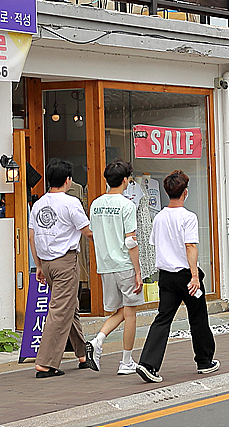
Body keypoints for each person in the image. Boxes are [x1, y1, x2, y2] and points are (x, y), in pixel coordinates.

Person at [135, 170, 218, 384]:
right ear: (185, 193)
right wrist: (194, 276)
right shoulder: (188, 217)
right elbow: (190, 246)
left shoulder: (160, 217)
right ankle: (204, 361)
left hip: (166, 277)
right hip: (186, 274)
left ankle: (147, 363)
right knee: (198, 318)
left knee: (163, 318)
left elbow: (156, 244)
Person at [29, 158, 93, 378]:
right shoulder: (71, 202)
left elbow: (32, 236)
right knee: (59, 310)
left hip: (46, 262)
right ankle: (45, 363)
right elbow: (87, 231)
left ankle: (83, 354)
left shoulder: (38, 205)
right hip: (65, 262)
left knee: (69, 306)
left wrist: (38, 265)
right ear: (68, 180)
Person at [83, 160, 143, 375]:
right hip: (125, 264)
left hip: (105, 265)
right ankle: (126, 361)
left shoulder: (95, 204)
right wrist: (137, 271)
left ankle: (97, 340)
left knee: (121, 310)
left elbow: (93, 234)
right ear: (125, 180)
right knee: (131, 312)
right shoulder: (127, 205)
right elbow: (131, 241)